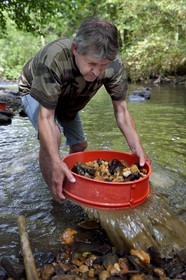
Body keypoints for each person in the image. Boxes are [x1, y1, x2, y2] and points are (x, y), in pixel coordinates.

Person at [18, 17, 150, 202]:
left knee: (80, 146)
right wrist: (55, 162)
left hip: (70, 95)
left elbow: (122, 111)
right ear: (75, 49)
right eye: (92, 64)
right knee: (53, 138)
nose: (97, 72)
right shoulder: (54, 58)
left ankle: (74, 182)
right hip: (34, 89)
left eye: (103, 65)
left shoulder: (113, 64)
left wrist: (137, 148)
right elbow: (46, 117)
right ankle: (56, 196)